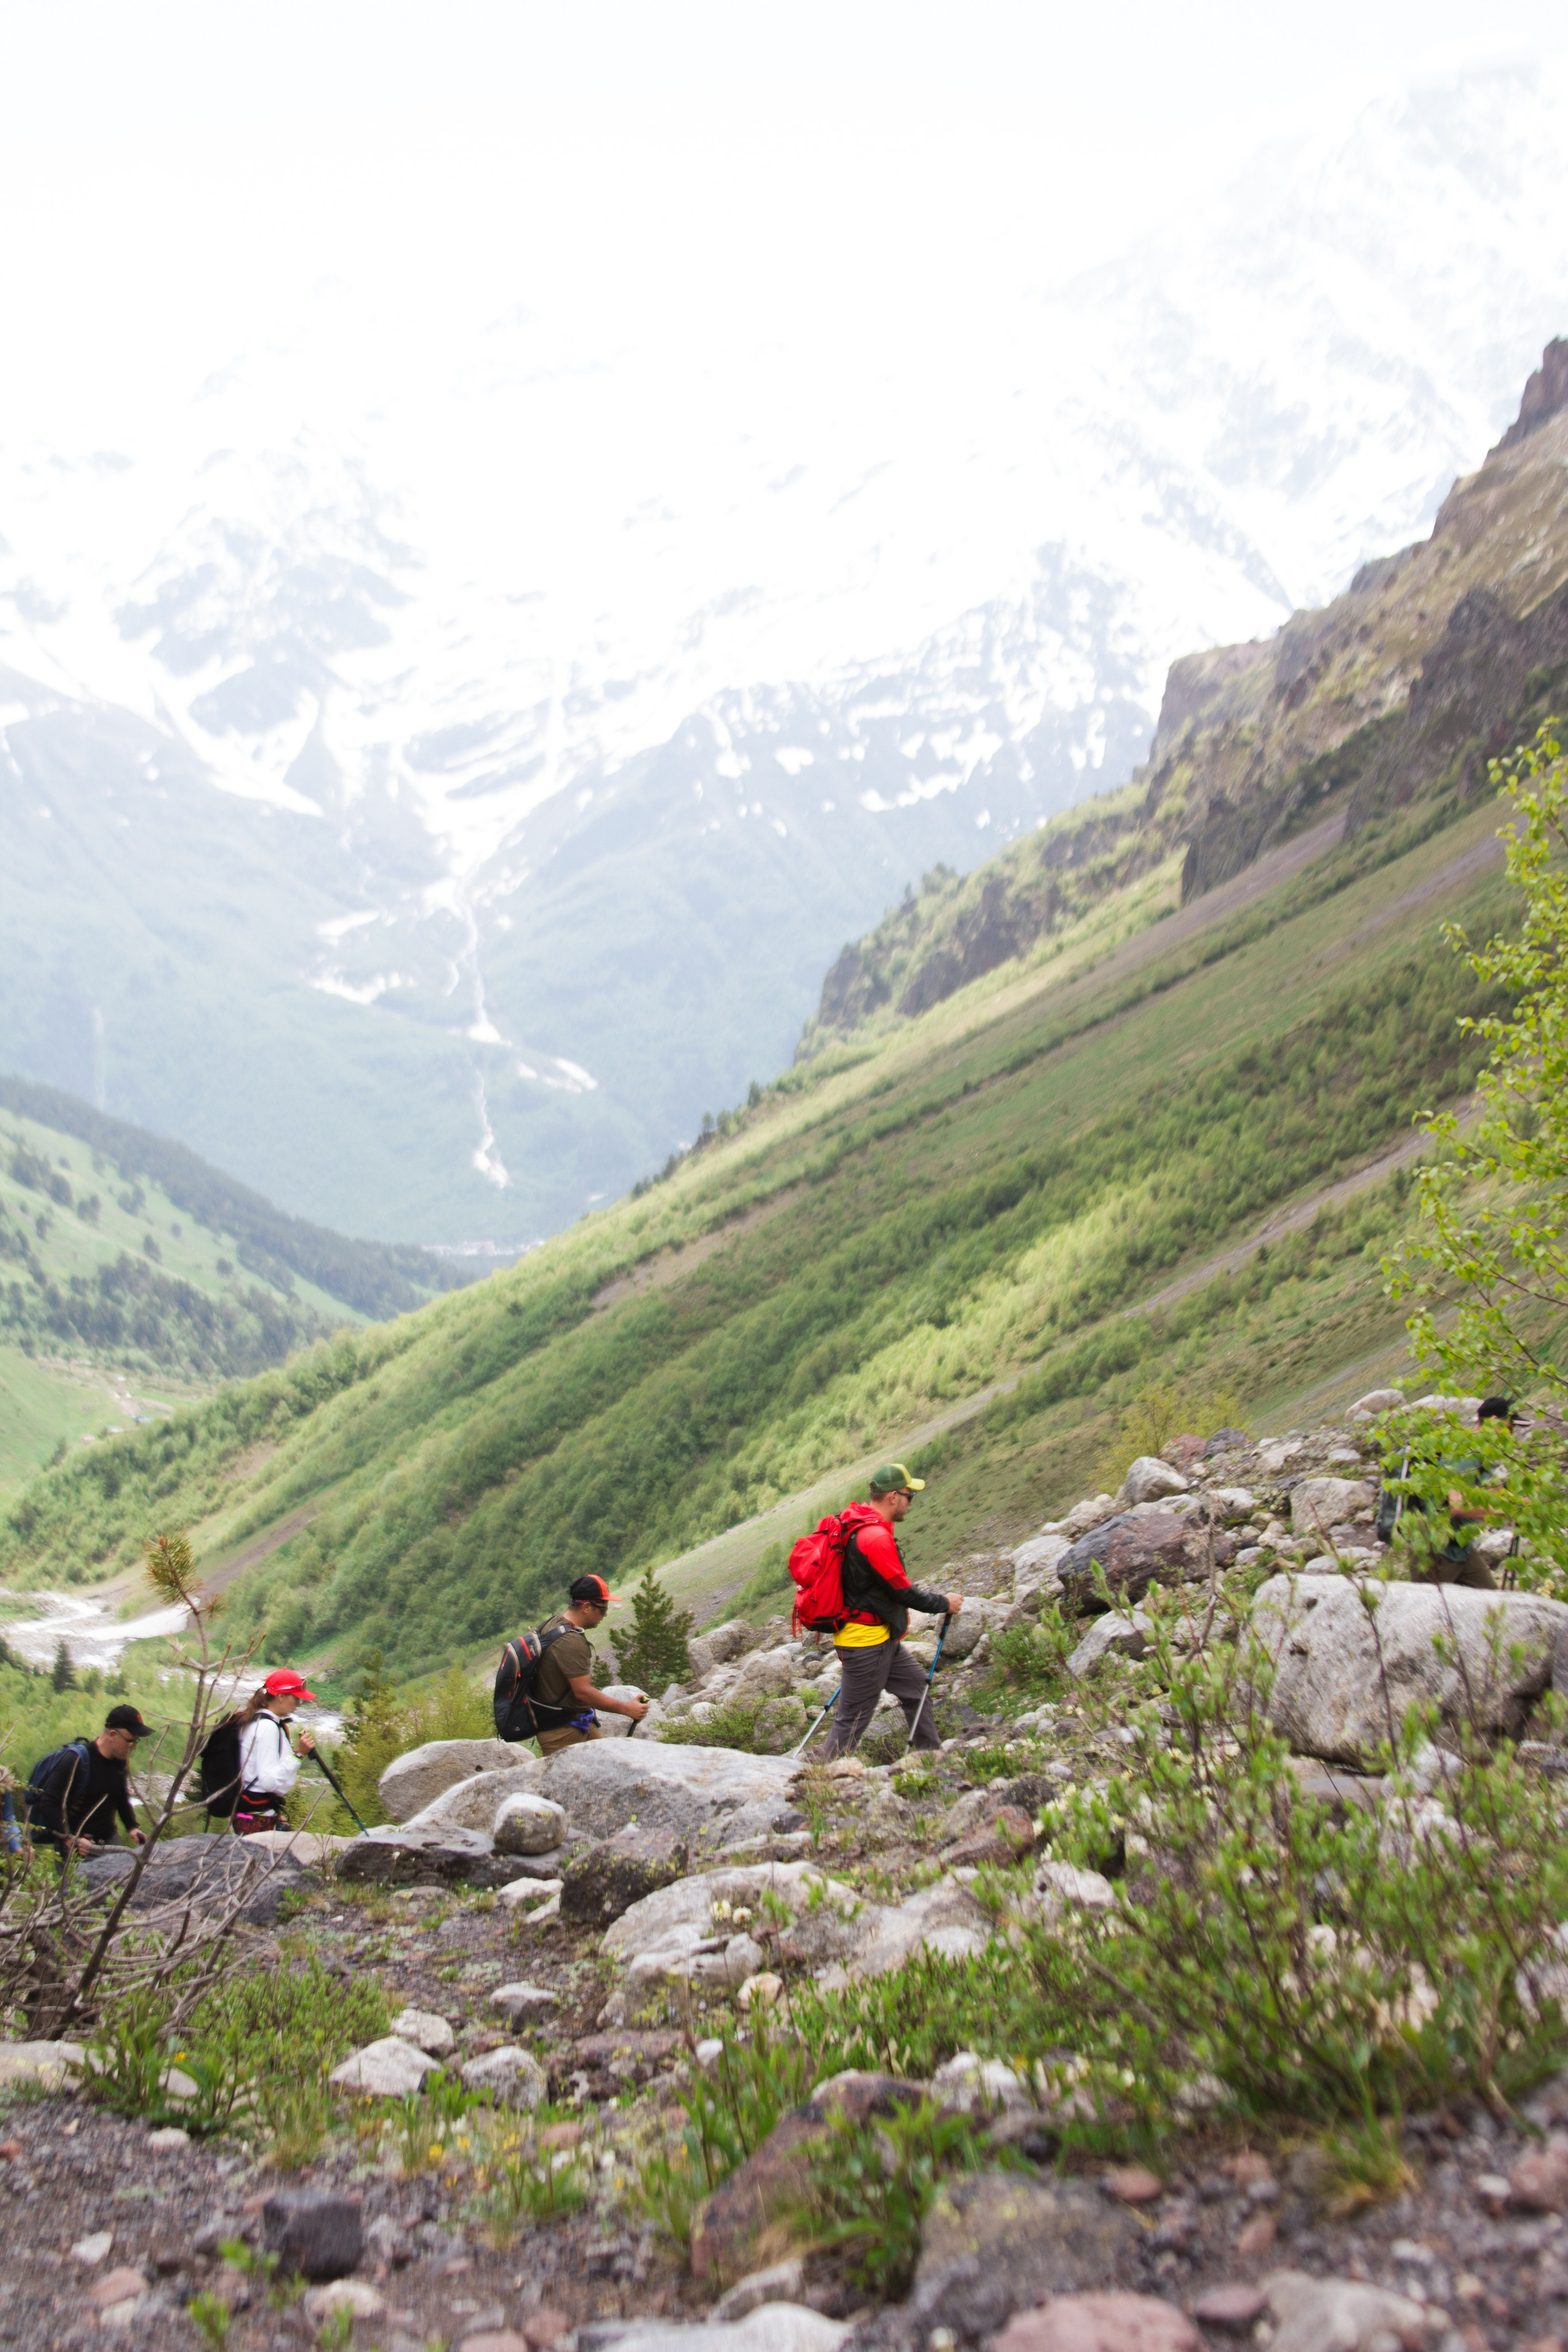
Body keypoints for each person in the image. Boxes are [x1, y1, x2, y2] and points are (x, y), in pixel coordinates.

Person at [820, 1463, 963, 1761]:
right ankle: (813, 1777)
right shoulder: (875, 1538)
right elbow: (904, 1593)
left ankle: (928, 1757)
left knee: (916, 1690)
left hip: (879, 1638)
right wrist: (944, 1603)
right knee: (852, 1721)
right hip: (865, 1645)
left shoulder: (856, 1522)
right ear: (893, 1498)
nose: (911, 1503)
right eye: (910, 1496)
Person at [532, 1575, 650, 1755]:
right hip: (562, 1734)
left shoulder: (553, 1624)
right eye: (603, 1609)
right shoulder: (570, 1641)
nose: (605, 1615)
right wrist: (627, 1709)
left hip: (576, 1723)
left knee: (613, 1767)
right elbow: (583, 1692)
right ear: (587, 1607)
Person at [26, 1704, 150, 1864]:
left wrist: (132, 1827)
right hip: (79, 1850)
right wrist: (69, 1839)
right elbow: (49, 1803)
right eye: (130, 1741)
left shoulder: (119, 1761)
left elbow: (120, 1796)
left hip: (110, 1843)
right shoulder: (76, 1760)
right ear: (113, 1734)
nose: (133, 1747)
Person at [233, 1669, 318, 1835]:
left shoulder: (254, 1720)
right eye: (296, 1699)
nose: (298, 1704)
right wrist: (299, 1754)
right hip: (258, 1818)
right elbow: (269, 1781)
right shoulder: (268, 1728)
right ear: (281, 1697)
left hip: (249, 1813)